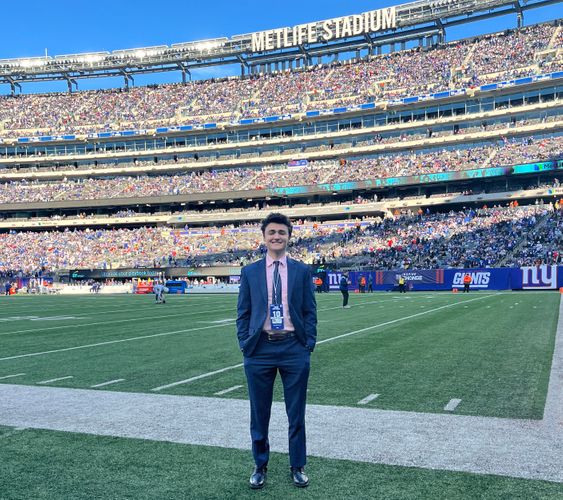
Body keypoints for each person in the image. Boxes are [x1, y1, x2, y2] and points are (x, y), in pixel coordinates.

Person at [237, 213, 317, 490]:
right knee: (259, 413)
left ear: (288, 236)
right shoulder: (250, 272)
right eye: (271, 232)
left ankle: (298, 465)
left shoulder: (302, 271)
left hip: (294, 347)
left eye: (281, 232)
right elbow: (243, 313)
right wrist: (245, 344)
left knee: (296, 413)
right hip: (259, 349)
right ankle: (260, 465)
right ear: (264, 237)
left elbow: (309, 311)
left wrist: (308, 344)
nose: (276, 237)